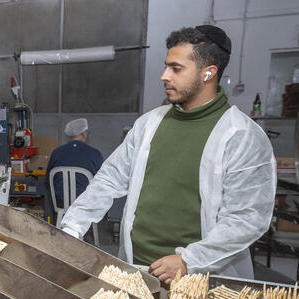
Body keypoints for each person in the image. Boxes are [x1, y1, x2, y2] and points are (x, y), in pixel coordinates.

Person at [59, 25, 276, 282]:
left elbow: (246, 218)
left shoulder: (241, 135)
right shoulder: (149, 124)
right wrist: (72, 228)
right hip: (137, 269)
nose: (164, 75)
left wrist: (188, 260)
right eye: (166, 66)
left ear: (208, 73)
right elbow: (109, 179)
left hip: (202, 277)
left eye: (176, 68)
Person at [47, 118, 104, 213]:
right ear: (84, 134)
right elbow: (101, 181)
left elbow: (48, 181)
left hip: (61, 203)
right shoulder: (95, 154)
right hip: (86, 203)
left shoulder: (56, 152)